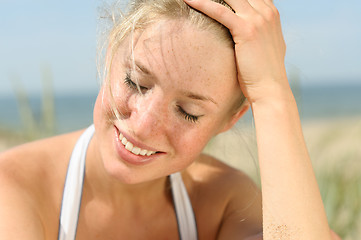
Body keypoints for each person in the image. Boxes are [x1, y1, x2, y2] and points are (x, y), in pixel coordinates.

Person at [0, 0, 341, 239]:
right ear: (111, 53)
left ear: (230, 119)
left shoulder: (224, 202)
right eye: (136, 81)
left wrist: (271, 95)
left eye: (188, 111)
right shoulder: (15, 188)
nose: (144, 125)